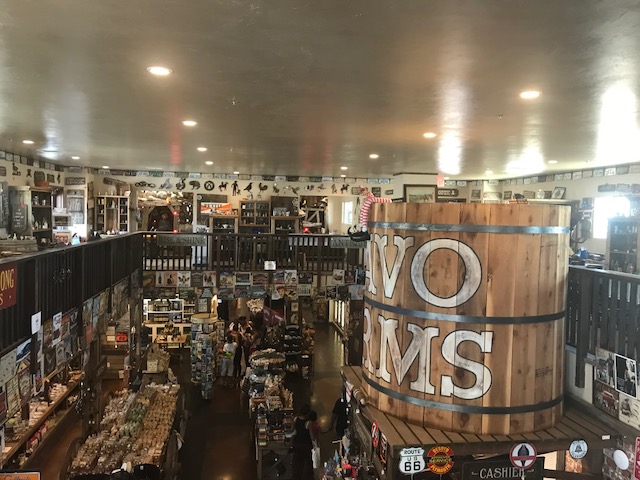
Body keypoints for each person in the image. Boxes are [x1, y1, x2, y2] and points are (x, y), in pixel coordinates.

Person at [291, 404, 313, 480]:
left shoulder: (295, 419)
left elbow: (292, 429)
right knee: (307, 463)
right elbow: (312, 437)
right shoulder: (308, 423)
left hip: (297, 443)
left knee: (297, 463)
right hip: (306, 445)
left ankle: (297, 477)